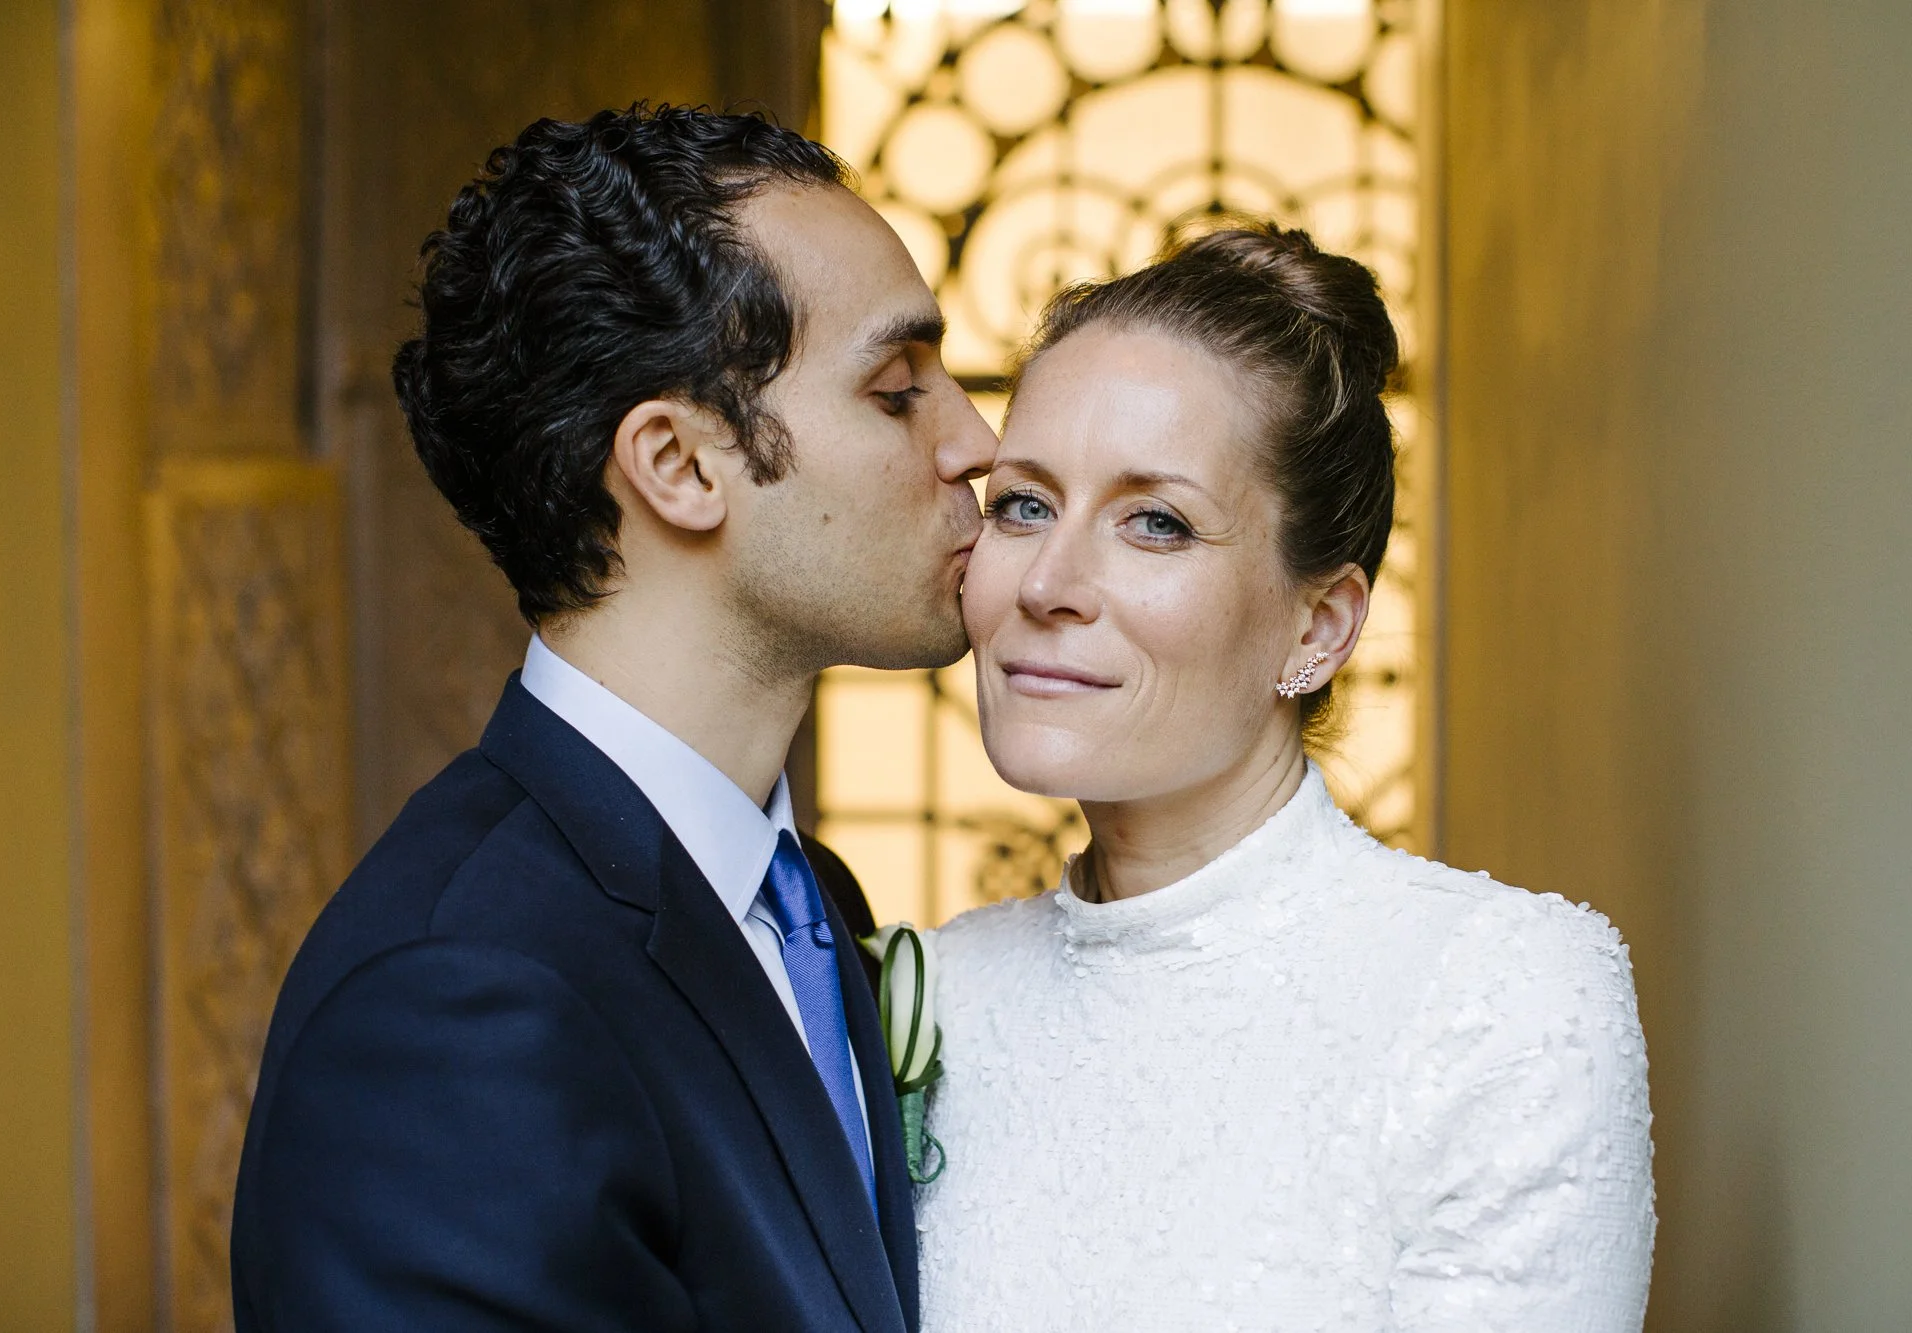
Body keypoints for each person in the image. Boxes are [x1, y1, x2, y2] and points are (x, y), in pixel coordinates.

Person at [230, 105, 995, 1331]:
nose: (977, 441)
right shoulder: (460, 1001)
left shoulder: (806, 905)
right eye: (898, 390)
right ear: (680, 465)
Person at [916, 223, 1656, 1330]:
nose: (1048, 582)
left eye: (1154, 523)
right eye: (1023, 503)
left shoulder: (1496, 997)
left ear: (1315, 627)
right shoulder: (925, 996)